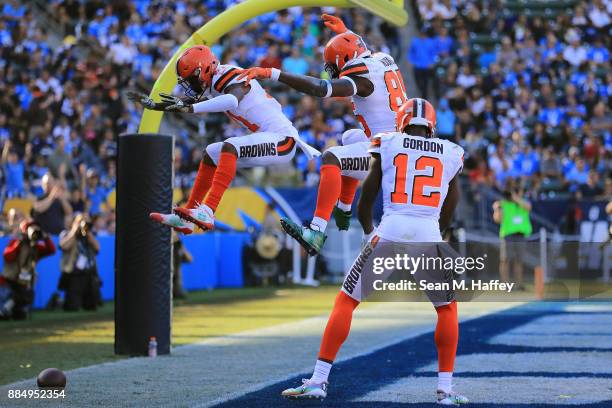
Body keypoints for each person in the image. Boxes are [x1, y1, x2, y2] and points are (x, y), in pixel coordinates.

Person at [281, 99, 468, 405]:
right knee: (446, 309)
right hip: (427, 232)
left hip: (391, 227)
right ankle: (445, 390)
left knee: (347, 300)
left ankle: (318, 380)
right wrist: (437, 232)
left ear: (402, 121)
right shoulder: (451, 151)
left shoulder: (389, 142)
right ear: (432, 125)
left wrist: (369, 233)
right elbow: (452, 202)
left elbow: (366, 198)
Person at [239, 14, 407, 255]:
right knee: (351, 137)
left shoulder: (361, 77)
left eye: (334, 65)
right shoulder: (382, 58)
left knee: (331, 157)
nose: (333, 70)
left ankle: (316, 231)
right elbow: (357, 49)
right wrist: (345, 33)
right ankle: (344, 206)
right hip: (396, 142)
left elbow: (320, 88)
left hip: (391, 152)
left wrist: (272, 73)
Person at [129, 45, 320, 233]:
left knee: (230, 146)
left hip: (283, 141)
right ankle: (186, 219)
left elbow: (231, 100)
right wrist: (157, 106)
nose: (191, 85)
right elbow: (190, 102)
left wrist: (188, 108)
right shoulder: (215, 80)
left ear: (204, 69)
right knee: (212, 153)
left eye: (192, 79)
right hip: (270, 138)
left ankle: (208, 210)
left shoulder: (229, 74)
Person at [1, 220, 56, 319]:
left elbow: (51, 250)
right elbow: (7, 256)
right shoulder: (15, 242)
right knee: (16, 296)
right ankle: (4, 309)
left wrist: (45, 238)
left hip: (24, 281)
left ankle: (10, 310)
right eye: (31, 229)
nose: (34, 232)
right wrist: (19, 242)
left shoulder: (36, 247)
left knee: (22, 310)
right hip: (10, 279)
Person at [492, 180, 532, 288]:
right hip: (507, 235)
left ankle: (519, 284)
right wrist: (497, 210)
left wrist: (515, 198)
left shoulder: (523, 203)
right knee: (505, 260)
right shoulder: (503, 204)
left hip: (520, 234)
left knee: (519, 260)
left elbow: (528, 207)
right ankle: (505, 284)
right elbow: (497, 220)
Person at [58, 213, 101, 311]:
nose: (84, 224)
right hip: (74, 273)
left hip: (89, 272)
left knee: (91, 306)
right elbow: (63, 246)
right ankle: (63, 302)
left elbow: (97, 248)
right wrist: (74, 231)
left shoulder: (89, 235)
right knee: (72, 307)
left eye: (86, 221)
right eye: (81, 221)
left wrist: (88, 233)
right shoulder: (67, 233)